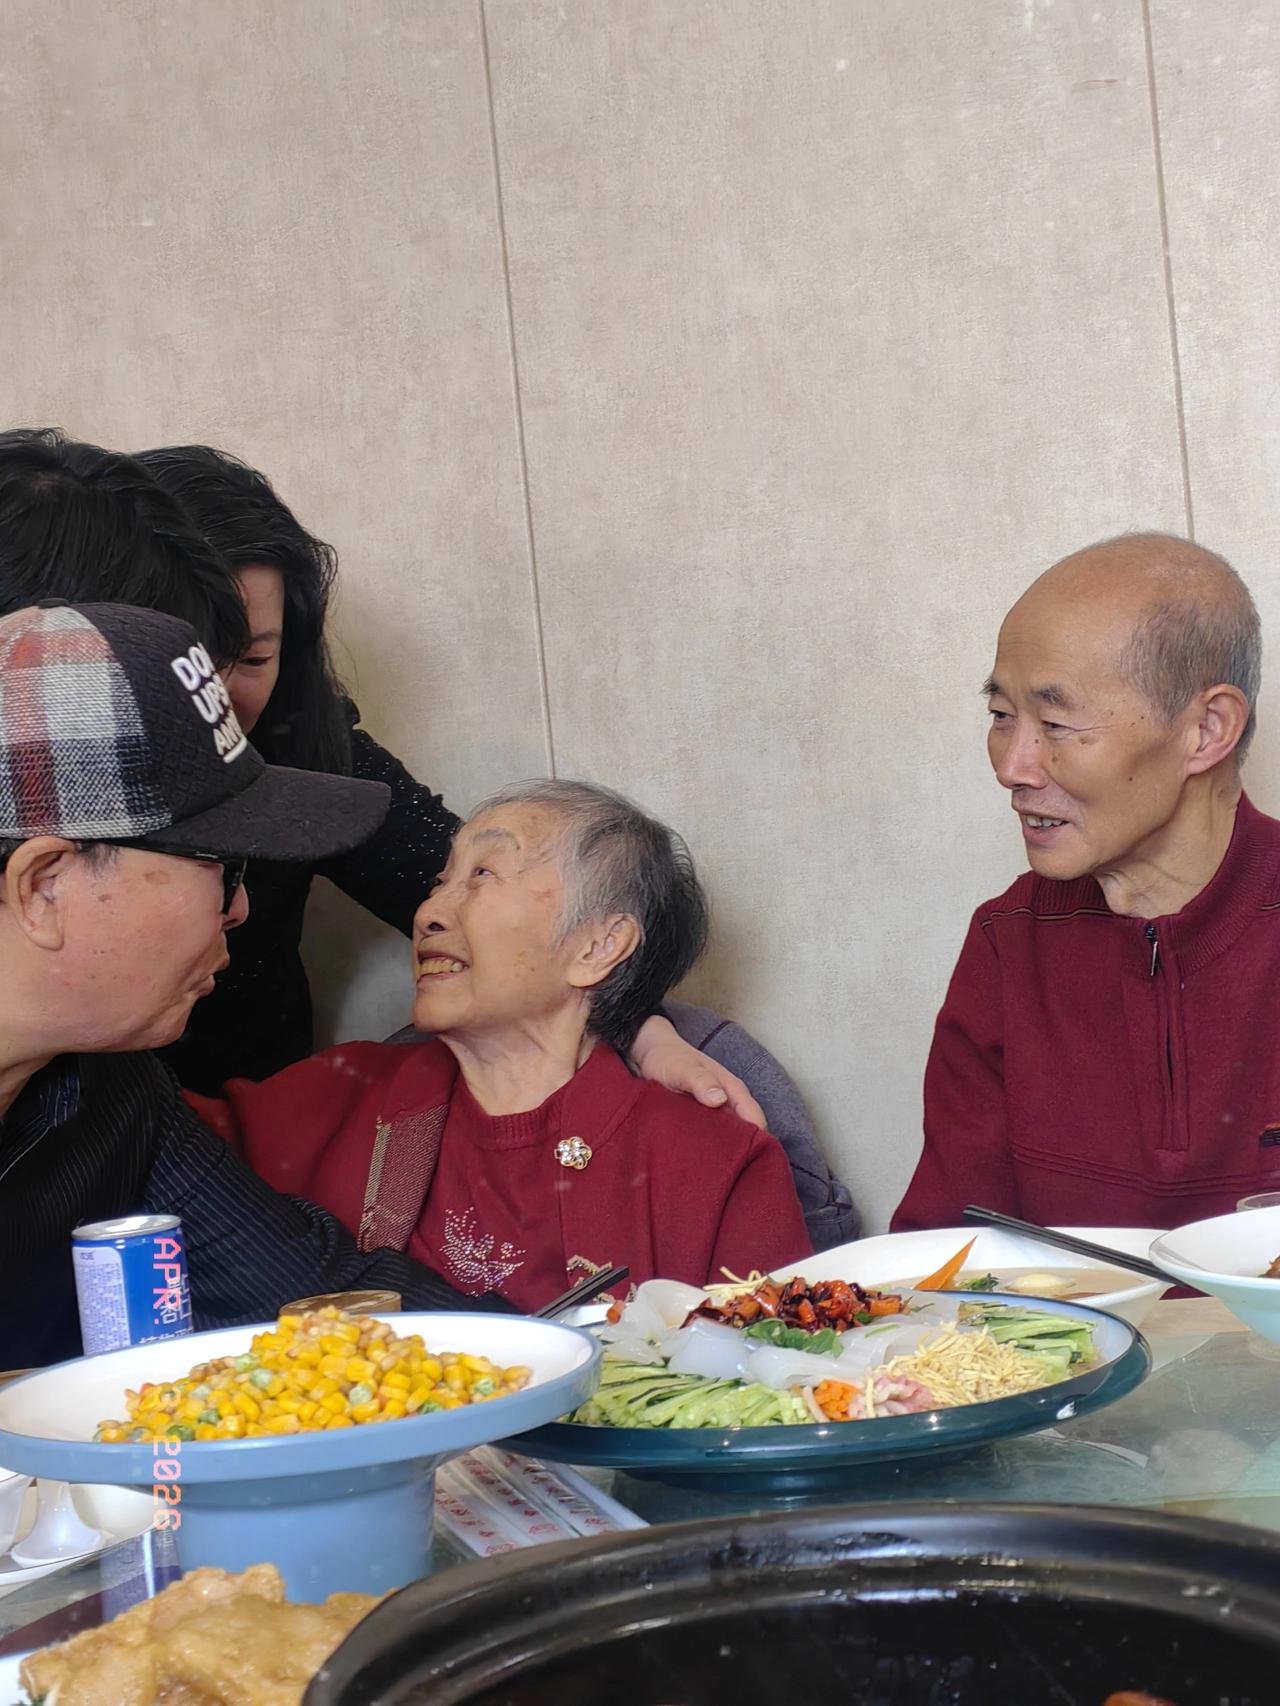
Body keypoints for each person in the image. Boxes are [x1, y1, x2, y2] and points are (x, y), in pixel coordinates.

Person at [133, 442, 858, 1241]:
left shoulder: (310, 756)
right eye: (194, 658)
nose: (219, 694)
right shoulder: (339, 1107)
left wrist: (637, 1022)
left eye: (256, 658)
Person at [0, 600, 509, 1370]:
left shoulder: (114, 1092)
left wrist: (599, 1365)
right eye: (219, 866)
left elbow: (318, 1299)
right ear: (43, 885)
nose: (240, 908)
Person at [189, 781, 813, 1306]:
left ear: (597, 947)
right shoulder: (335, 1093)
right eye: (440, 880)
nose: (429, 911)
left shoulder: (716, 1161)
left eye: (483, 874)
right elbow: (133, 1140)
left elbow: (772, 1390)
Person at [894, 531, 1278, 1231]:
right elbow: (950, 1257)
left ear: (1207, 729)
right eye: (1002, 717)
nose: (1013, 765)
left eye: (1056, 722)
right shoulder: (1009, 943)